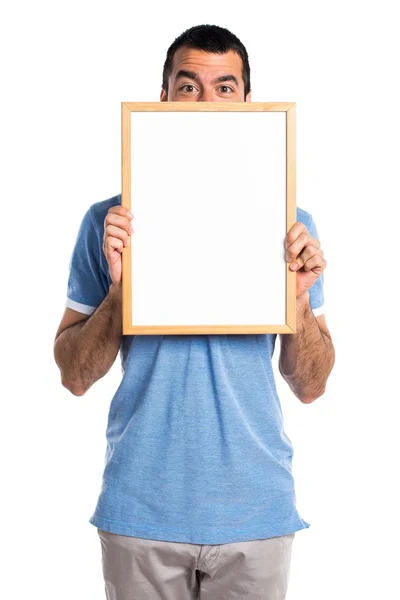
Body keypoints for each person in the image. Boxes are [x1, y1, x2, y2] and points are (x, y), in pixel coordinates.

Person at [54, 23, 335, 600]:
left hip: (255, 513)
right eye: (188, 87)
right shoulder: (109, 221)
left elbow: (312, 385)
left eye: (224, 88)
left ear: (248, 104)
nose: (206, 103)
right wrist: (119, 292)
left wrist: (300, 300)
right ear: (162, 101)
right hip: (141, 511)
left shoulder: (291, 220)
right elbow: (74, 376)